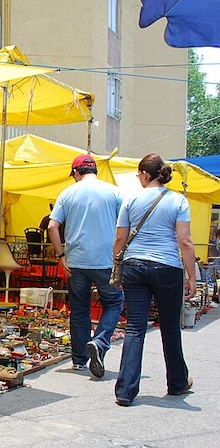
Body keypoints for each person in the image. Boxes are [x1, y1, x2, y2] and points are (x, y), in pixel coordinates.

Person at [112, 154, 196, 406]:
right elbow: (185, 241)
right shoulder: (178, 200)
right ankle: (177, 382)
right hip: (168, 267)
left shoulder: (131, 199)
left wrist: (115, 266)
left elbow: (119, 239)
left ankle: (125, 391)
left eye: (139, 174)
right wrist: (192, 275)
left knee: (135, 328)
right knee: (170, 327)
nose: (138, 178)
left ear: (146, 174)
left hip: (135, 267)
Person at [48, 154, 123, 376]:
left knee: (79, 310)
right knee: (114, 303)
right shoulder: (114, 192)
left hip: (76, 261)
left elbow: (52, 227)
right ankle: (99, 342)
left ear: (76, 172)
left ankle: (79, 360)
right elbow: (124, 228)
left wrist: (61, 256)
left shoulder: (67, 194)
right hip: (105, 261)